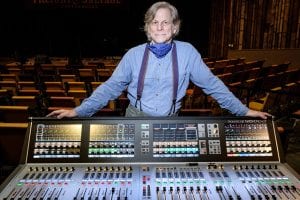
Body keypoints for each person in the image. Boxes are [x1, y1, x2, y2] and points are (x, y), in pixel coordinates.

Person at [47, 1, 270, 119]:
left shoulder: (188, 52)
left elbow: (212, 85)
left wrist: (243, 111)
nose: (160, 27)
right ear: (147, 28)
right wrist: (79, 111)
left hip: (171, 120)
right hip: (134, 119)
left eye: (165, 22)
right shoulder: (133, 55)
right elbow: (110, 88)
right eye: (154, 22)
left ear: (174, 27)